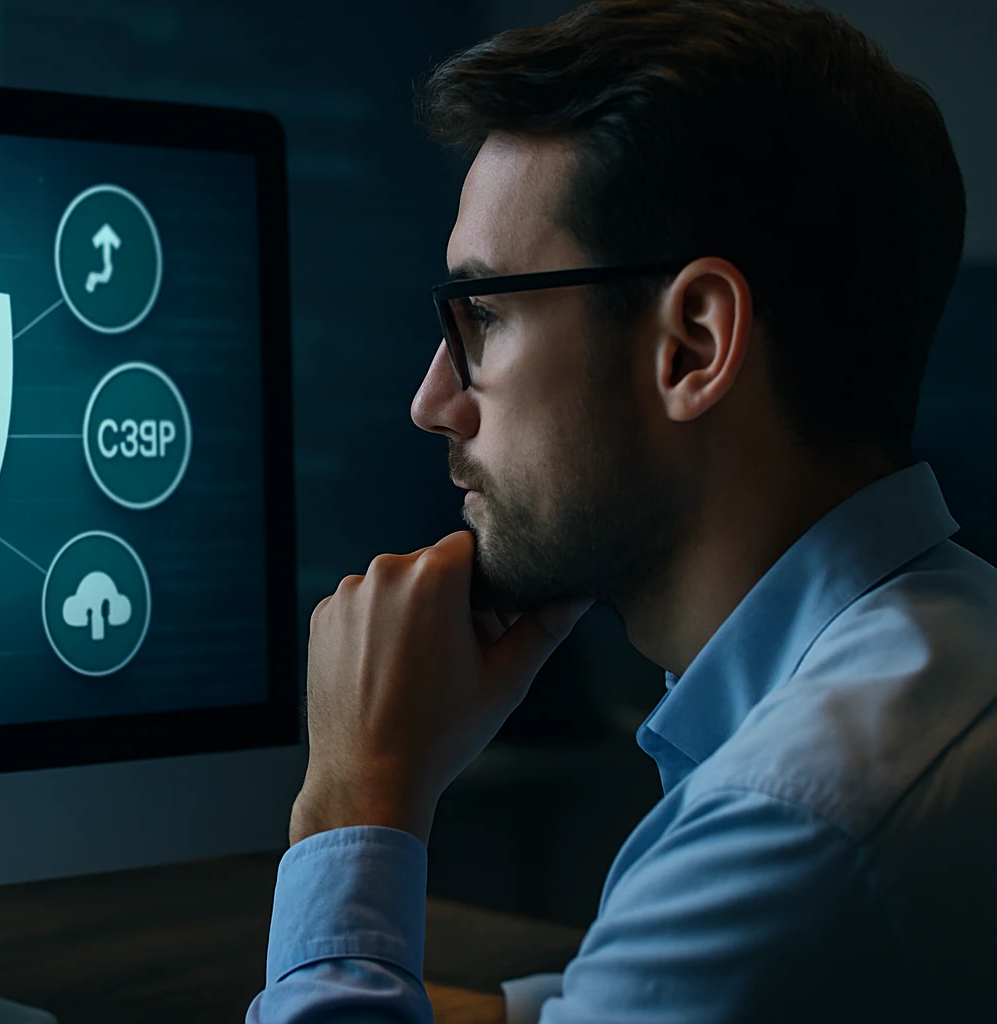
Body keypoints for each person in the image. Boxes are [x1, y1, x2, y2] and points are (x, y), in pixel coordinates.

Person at [245, 0, 992, 1021]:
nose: (433, 401)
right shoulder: (949, 647)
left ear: (692, 343)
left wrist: (354, 795)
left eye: (486, 317)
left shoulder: (797, 818)